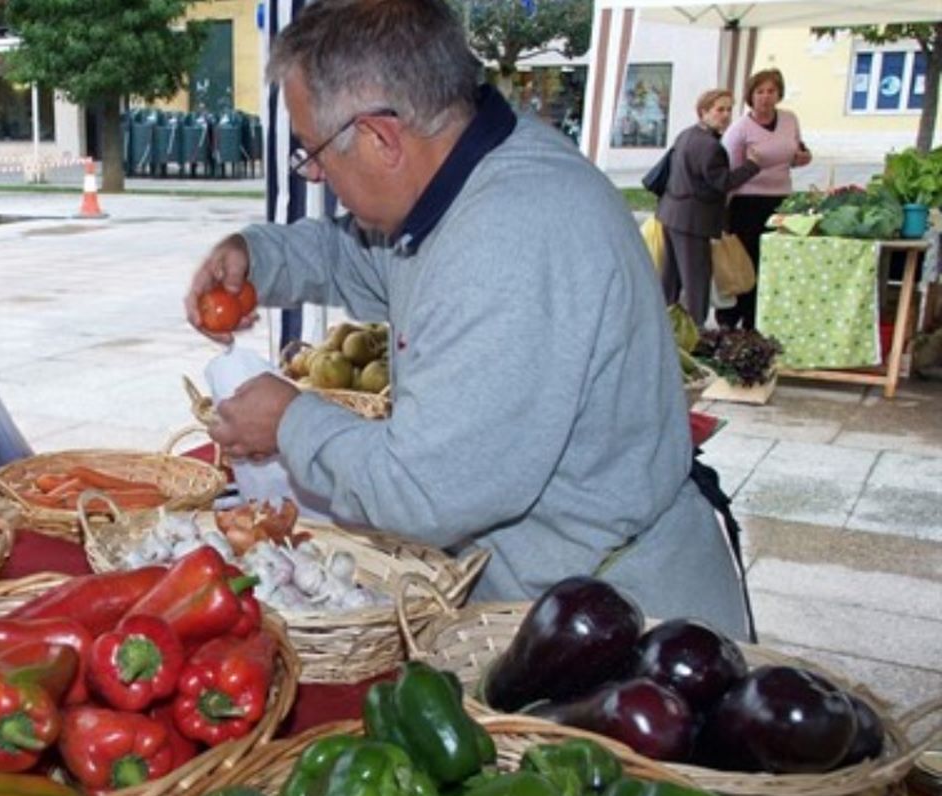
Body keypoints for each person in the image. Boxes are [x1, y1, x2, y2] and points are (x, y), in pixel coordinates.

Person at [185, 0, 751, 638]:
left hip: (615, 626)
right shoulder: (459, 173)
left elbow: (423, 492)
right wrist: (258, 257)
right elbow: (361, 258)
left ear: (380, 137)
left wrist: (290, 420)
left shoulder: (508, 237)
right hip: (554, 592)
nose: (313, 171)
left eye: (313, 151)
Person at [657, 89, 761, 326]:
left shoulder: (687, 135)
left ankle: (664, 329)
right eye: (719, 109)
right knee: (697, 282)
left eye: (728, 109)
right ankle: (695, 332)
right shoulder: (709, 146)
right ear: (704, 112)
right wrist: (752, 165)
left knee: (670, 280)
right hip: (692, 220)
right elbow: (722, 182)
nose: (725, 115)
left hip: (673, 214)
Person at [720, 69, 811, 330]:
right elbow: (729, 174)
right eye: (760, 92)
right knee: (746, 261)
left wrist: (802, 158)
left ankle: (761, 318)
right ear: (751, 96)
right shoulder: (740, 129)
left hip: (780, 200)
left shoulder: (790, 120)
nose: (765, 97)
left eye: (771, 91)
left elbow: (795, 151)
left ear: (779, 94)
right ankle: (733, 319)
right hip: (747, 202)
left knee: (773, 260)